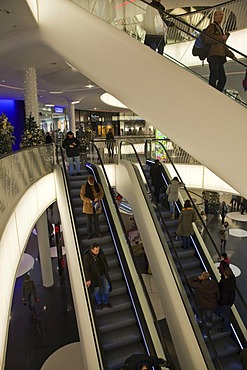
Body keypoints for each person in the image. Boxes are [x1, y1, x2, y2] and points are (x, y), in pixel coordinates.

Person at [204, 10, 236, 92]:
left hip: (219, 56)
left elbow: (223, 46)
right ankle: (213, 93)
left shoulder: (219, 29)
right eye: (219, 15)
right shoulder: (212, 26)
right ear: (214, 16)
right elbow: (207, 38)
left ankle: (216, 93)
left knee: (222, 78)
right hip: (214, 55)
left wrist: (232, 55)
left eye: (222, 15)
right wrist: (221, 38)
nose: (221, 17)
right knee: (215, 76)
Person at [83, 243, 112, 310]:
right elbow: (87, 269)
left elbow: (104, 260)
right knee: (97, 290)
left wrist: (106, 269)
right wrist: (88, 279)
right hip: (94, 277)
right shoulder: (87, 257)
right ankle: (99, 303)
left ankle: (105, 302)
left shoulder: (100, 252)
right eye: (96, 251)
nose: (98, 252)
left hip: (102, 274)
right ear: (92, 250)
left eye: (98, 250)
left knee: (106, 288)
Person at [80, 175, 104, 239]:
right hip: (88, 206)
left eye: (92, 182)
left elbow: (102, 193)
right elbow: (82, 196)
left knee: (97, 220)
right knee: (89, 221)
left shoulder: (98, 185)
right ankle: (89, 234)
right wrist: (89, 201)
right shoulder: (84, 186)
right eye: (90, 182)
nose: (91, 184)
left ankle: (98, 233)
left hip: (96, 204)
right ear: (88, 181)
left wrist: (98, 198)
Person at [218, 267, 236, 332]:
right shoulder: (232, 279)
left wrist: (221, 303)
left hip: (225, 303)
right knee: (226, 314)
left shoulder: (226, 285)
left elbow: (224, 296)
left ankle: (227, 328)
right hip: (230, 300)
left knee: (227, 316)